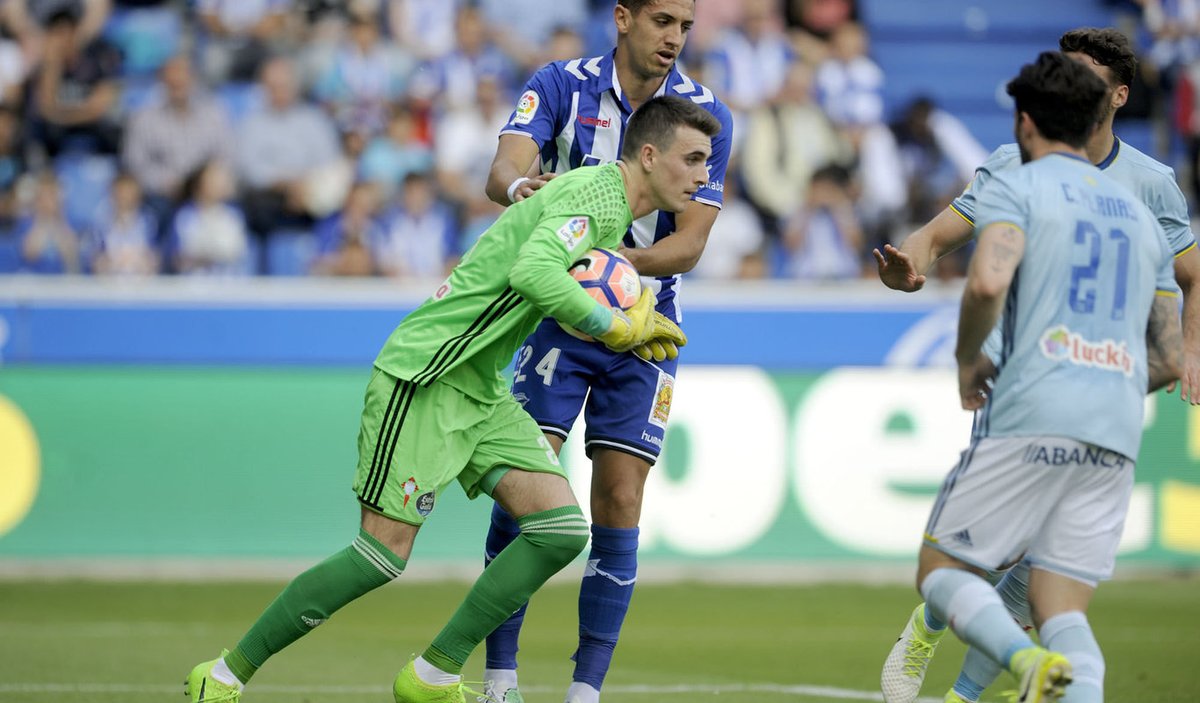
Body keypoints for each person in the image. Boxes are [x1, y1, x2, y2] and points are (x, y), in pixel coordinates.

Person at [183, 93, 711, 703]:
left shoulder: (608, 206)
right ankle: (224, 674)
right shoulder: (597, 196)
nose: (704, 175)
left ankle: (433, 674)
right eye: (693, 159)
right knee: (380, 557)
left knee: (560, 530)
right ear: (649, 155)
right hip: (428, 373)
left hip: (481, 389)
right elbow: (533, 274)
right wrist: (615, 325)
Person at [875, 27, 1200, 703]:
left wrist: (969, 360)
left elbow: (988, 283)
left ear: (1028, 119)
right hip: (1114, 419)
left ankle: (1009, 666)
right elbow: (1168, 355)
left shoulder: (1028, 185)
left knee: (944, 564)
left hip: (1030, 403)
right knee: (1063, 609)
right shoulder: (1141, 218)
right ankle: (1010, 678)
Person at [481, 1, 733, 701]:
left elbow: (691, 239)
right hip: (556, 315)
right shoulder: (562, 84)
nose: (674, 38)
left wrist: (620, 267)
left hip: (646, 327)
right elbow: (503, 167)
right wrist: (519, 189)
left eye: (684, 25)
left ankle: (585, 689)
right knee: (526, 491)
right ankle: (500, 676)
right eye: (661, 20)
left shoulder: (708, 113)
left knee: (620, 497)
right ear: (623, 17)